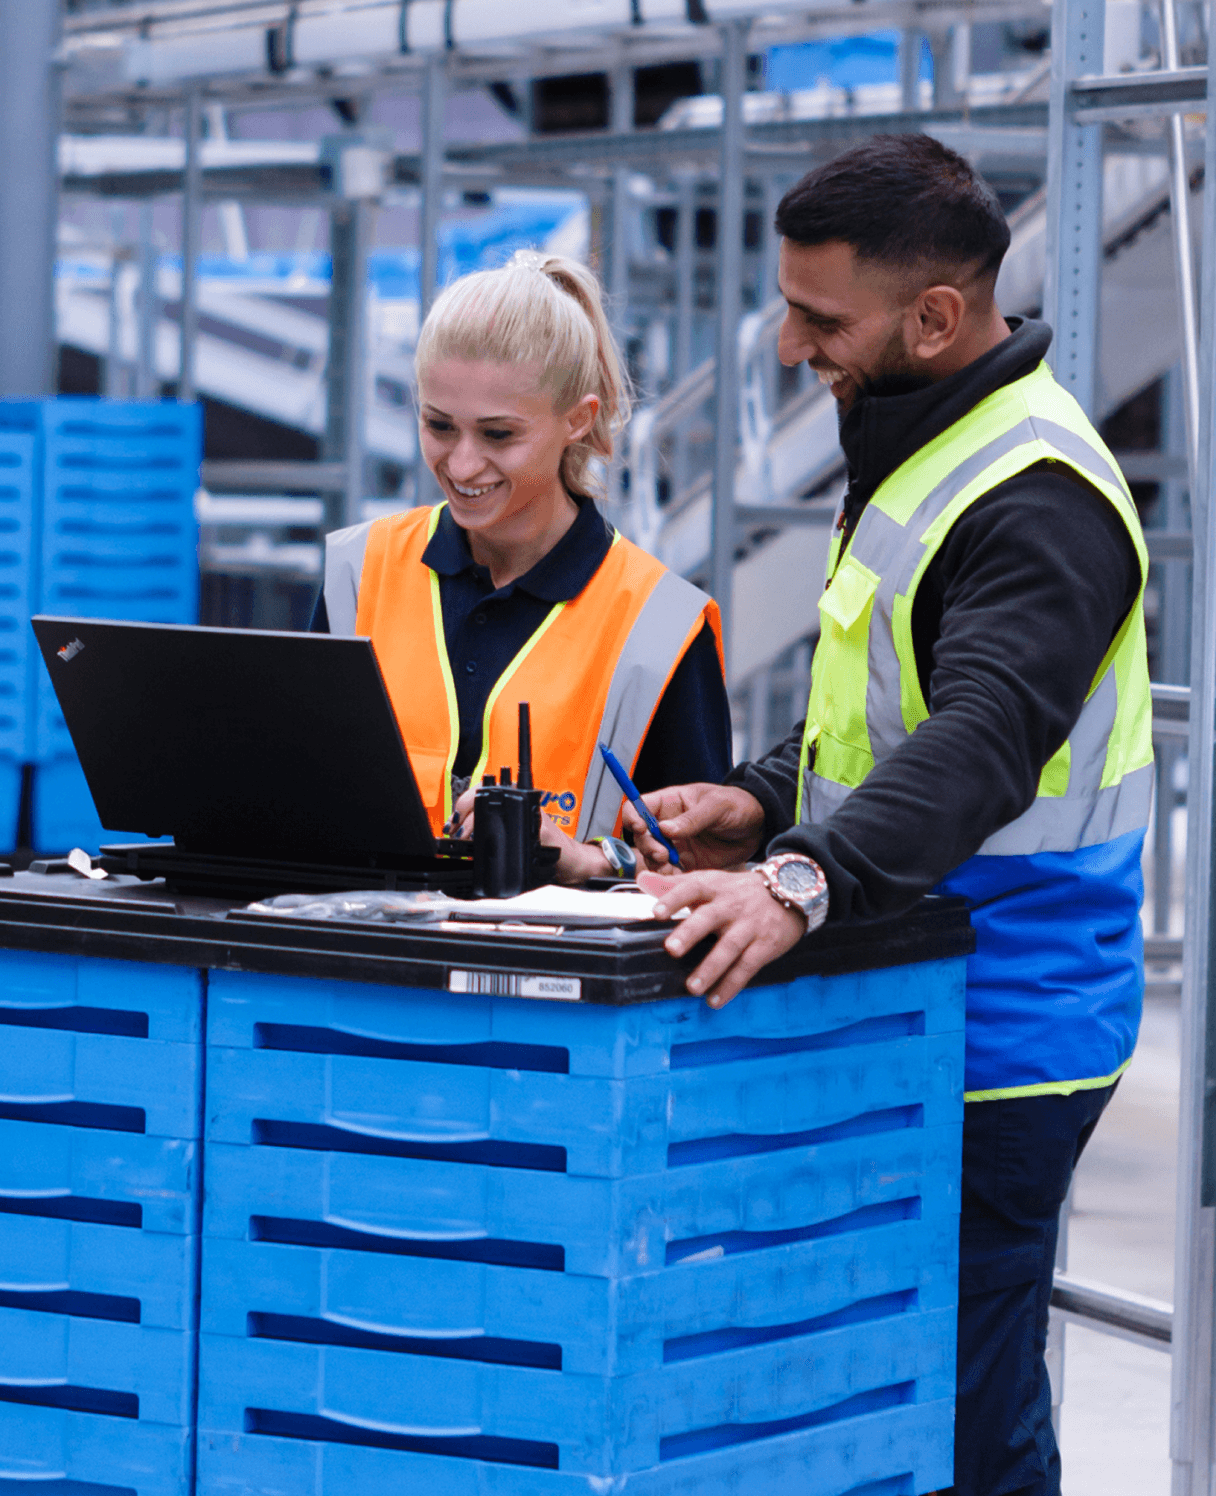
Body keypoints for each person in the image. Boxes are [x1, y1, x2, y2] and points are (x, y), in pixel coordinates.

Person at [628, 135, 1151, 1496]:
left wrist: (802, 879)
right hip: (921, 984)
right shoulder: (924, 438)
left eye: (821, 319)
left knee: (965, 1413)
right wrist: (758, 795)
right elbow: (891, 719)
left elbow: (984, 738)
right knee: (878, 1382)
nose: (794, 349)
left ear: (936, 315)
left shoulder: (1038, 497)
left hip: (1012, 1021)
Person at [313, 250, 731, 881]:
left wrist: (584, 860)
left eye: (499, 435)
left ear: (578, 420)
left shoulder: (664, 626)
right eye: (438, 426)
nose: (461, 464)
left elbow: (700, 874)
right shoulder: (356, 570)